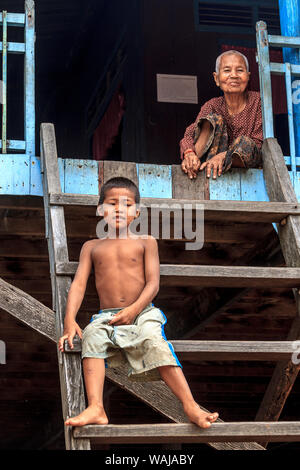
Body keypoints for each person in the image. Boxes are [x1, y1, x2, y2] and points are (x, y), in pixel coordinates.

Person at [58, 177, 219, 428]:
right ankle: (96, 407)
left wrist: (133, 310)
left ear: (137, 211)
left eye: (127, 204)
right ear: (100, 210)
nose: (119, 209)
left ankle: (190, 406)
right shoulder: (91, 247)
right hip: (107, 316)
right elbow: (79, 284)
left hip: (143, 312)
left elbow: (153, 284)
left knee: (154, 341)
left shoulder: (146, 241)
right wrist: (69, 321)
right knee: (91, 335)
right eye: (112, 203)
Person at [180, 50, 263, 180]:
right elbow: (189, 135)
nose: (234, 75)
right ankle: (194, 164)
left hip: (247, 169)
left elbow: (258, 144)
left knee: (244, 142)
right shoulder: (212, 105)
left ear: (248, 76)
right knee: (212, 120)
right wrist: (189, 153)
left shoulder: (258, 101)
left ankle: (220, 161)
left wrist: (223, 156)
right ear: (216, 78)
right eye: (227, 70)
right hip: (210, 168)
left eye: (240, 70)